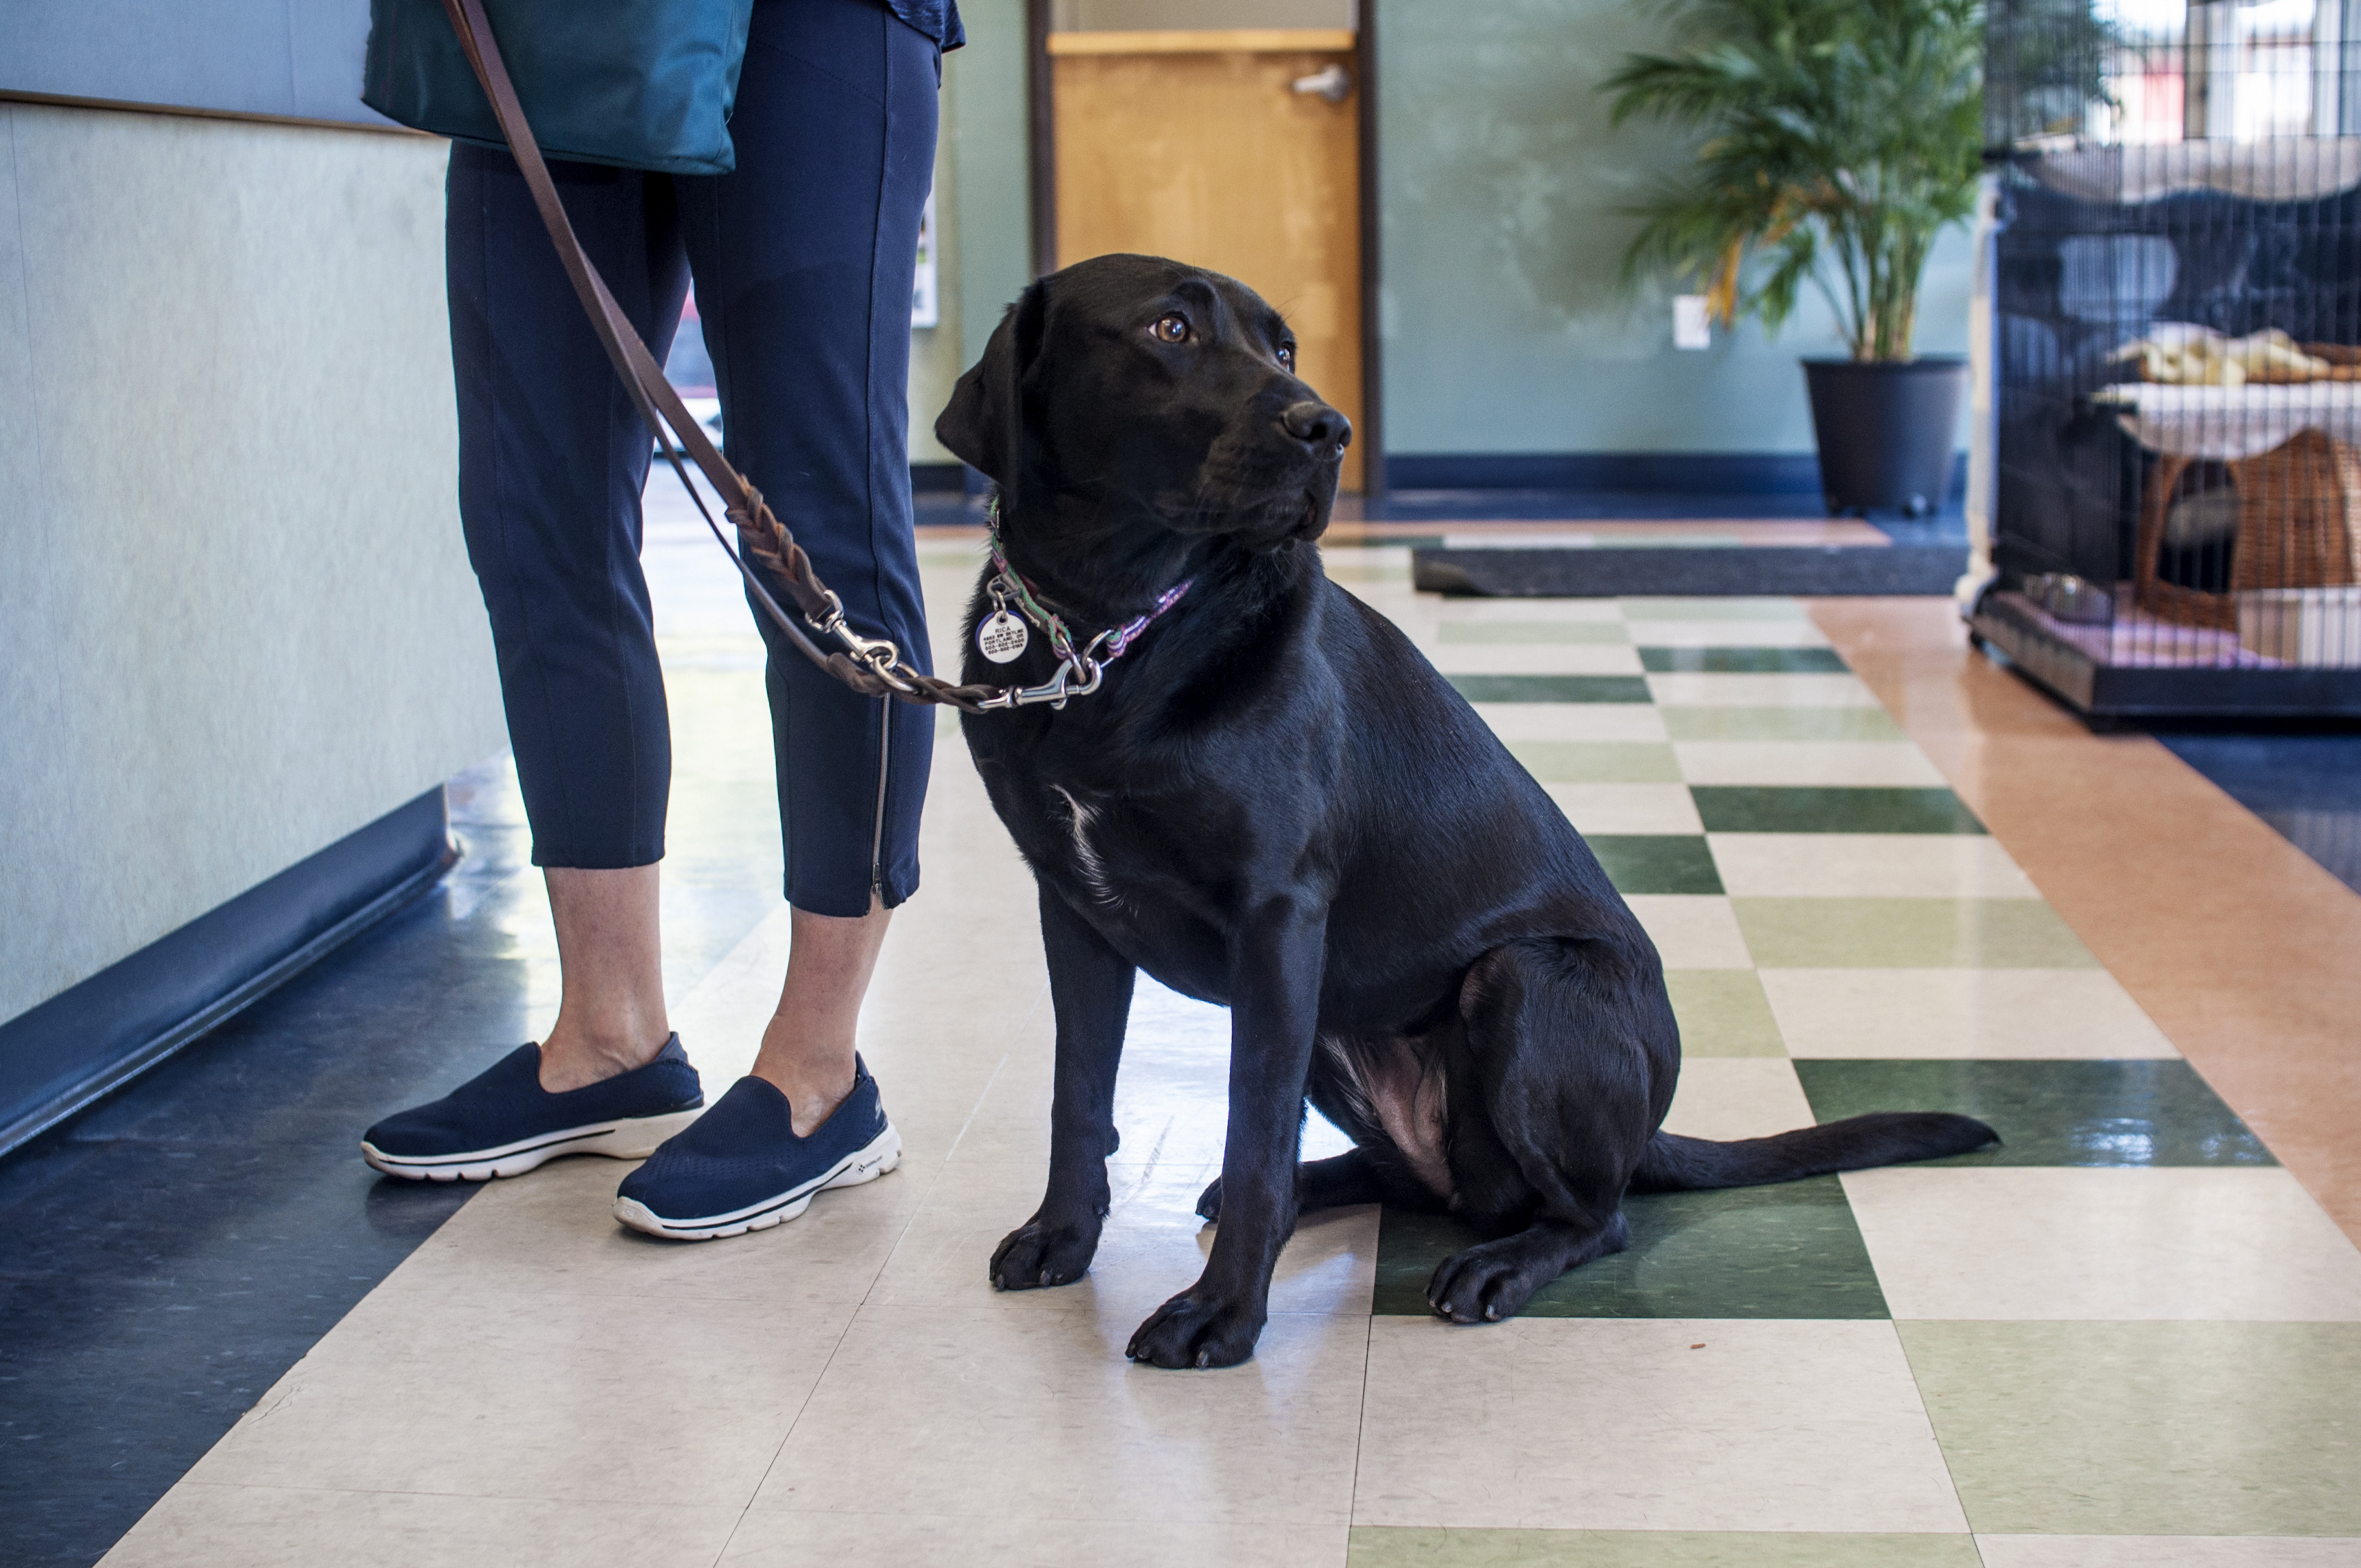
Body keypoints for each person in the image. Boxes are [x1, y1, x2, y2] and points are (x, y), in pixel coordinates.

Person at [358, 0, 962, 1242]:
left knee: (817, 527)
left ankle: (818, 1074)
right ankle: (609, 1038)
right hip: (545, 26)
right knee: (537, 524)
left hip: (816, 24)